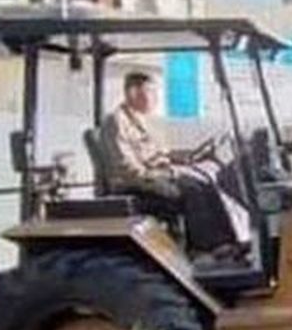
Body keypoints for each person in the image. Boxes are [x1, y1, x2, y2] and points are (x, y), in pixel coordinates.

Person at [101, 72, 250, 264]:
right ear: (132, 92)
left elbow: (159, 153)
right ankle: (203, 249)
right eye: (151, 92)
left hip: (156, 174)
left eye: (156, 93)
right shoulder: (116, 122)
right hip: (134, 183)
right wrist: (157, 183)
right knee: (192, 189)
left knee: (206, 182)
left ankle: (225, 243)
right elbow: (125, 168)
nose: (155, 99)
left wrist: (187, 155)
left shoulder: (141, 119)